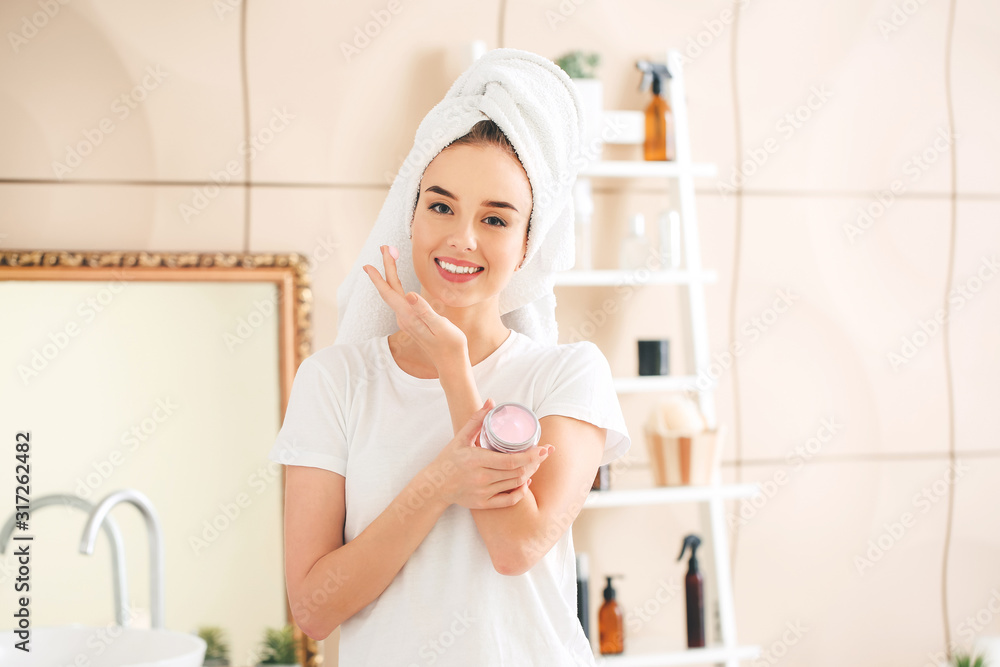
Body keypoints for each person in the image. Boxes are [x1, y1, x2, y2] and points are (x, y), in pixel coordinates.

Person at [268, 49, 630, 666]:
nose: (462, 237)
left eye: (495, 218)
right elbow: (314, 608)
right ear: (411, 217)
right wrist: (439, 483)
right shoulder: (335, 381)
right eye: (441, 206)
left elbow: (514, 548)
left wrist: (456, 371)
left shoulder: (569, 376)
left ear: (526, 246)